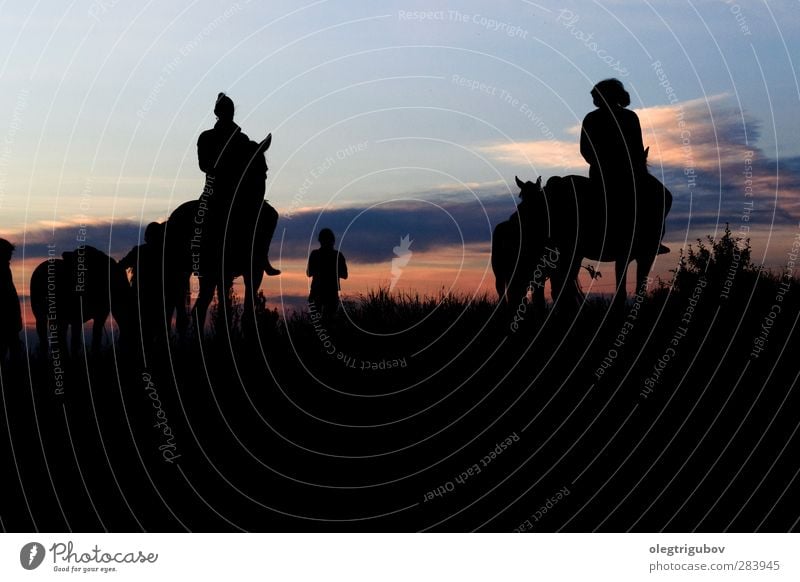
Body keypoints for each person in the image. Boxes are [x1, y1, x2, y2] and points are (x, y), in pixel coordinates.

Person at [580, 78, 668, 254]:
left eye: (596, 96)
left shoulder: (622, 117)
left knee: (663, 195)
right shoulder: (605, 118)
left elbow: (586, 150)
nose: (594, 101)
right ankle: (649, 239)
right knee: (662, 196)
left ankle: (651, 238)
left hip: (616, 173)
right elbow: (587, 149)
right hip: (614, 174)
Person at [196, 92, 280, 276]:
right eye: (225, 110)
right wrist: (224, 166)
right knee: (205, 222)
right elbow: (204, 165)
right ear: (218, 112)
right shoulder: (206, 137)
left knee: (270, 215)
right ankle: (200, 257)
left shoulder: (242, 140)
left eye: (231, 110)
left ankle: (261, 255)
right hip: (215, 192)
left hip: (240, 194)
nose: (229, 114)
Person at [307, 228, 348, 317]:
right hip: (329, 293)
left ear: (320, 240)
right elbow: (345, 275)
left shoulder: (315, 254)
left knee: (318, 325)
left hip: (319, 292)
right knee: (329, 323)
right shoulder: (338, 255)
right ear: (332, 240)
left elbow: (309, 273)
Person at [0, 239, 22, 359]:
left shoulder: (5, 268)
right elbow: (9, 295)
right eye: (8, 252)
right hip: (7, 319)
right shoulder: (3, 269)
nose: (10, 256)